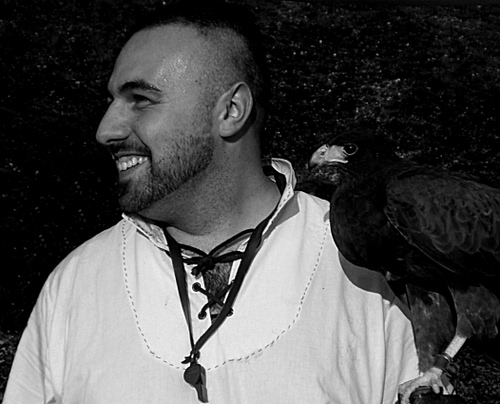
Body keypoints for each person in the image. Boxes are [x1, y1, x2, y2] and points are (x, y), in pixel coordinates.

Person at [4, 1, 420, 403]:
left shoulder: (370, 272)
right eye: (111, 101)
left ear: (231, 110)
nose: (105, 130)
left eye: (141, 100)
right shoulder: (75, 284)